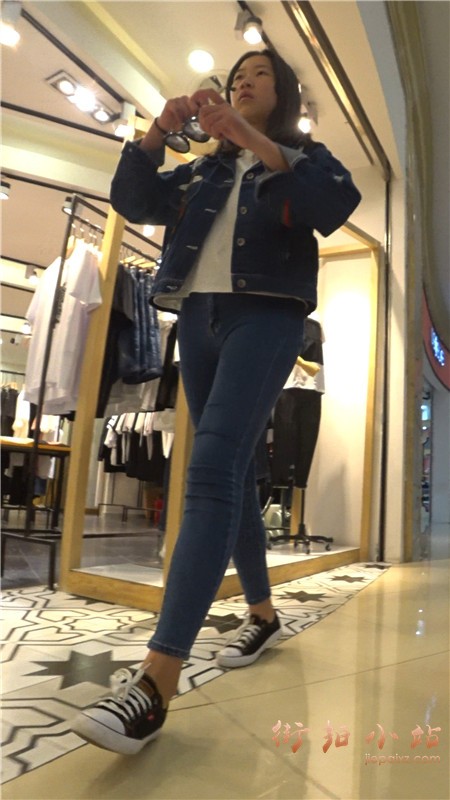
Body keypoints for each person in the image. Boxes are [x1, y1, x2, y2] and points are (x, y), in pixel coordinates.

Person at [71, 48, 361, 755]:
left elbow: (332, 205)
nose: (242, 82)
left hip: (266, 314)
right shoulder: (204, 171)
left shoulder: (303, 156)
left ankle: (156, 681)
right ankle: (262, 614)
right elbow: (135, 200)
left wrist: (251, 137)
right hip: (196, 318)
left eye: (258, 75)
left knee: (209, 471)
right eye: (235, 77)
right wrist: (155, 131)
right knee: (234, 474)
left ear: (282, 93)